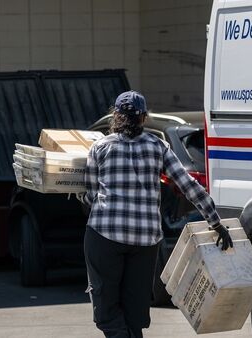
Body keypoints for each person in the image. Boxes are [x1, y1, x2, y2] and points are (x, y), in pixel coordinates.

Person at [80, 90, 233, 338]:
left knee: (107, 311)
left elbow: (90, 194)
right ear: (143, 118)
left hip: (104, 236)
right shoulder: (158, 147)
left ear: (116, 116)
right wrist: (216, 223)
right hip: (145, 242)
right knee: (135, 313)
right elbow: (189, 186)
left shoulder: (99, 148)